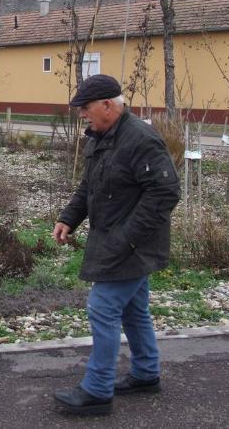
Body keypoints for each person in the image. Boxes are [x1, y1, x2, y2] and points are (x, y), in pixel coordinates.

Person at [51, 74, 181, 416]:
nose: (82, 115)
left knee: (103, 307)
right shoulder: (102, 135)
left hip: (133, 244)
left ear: (108, 105)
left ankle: (97, 391)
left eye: (86, 108)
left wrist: (127, 238)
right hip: (115, 238)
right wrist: (69, 217)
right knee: (133, 310)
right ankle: (145, 373)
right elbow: (89, 185)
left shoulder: (141, 139)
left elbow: (165, 192)